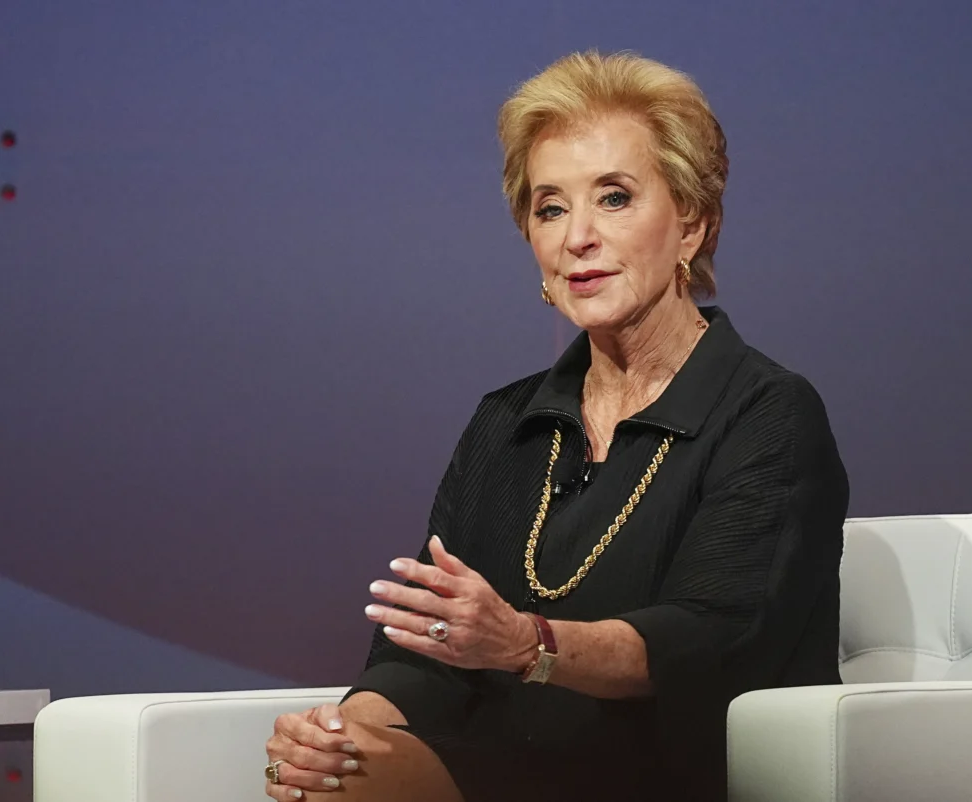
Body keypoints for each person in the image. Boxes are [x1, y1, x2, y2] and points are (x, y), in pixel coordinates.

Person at [264, 50, 850, 802]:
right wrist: (342, 733)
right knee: (325, 774)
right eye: (551, 207)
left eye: (613, 198)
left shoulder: (766, 412)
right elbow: (424, 652)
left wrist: (525, 645)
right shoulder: (508, 423)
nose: (578, 236)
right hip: (507, 765)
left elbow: (713, 639)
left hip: (677, 771)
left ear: (691, 226)